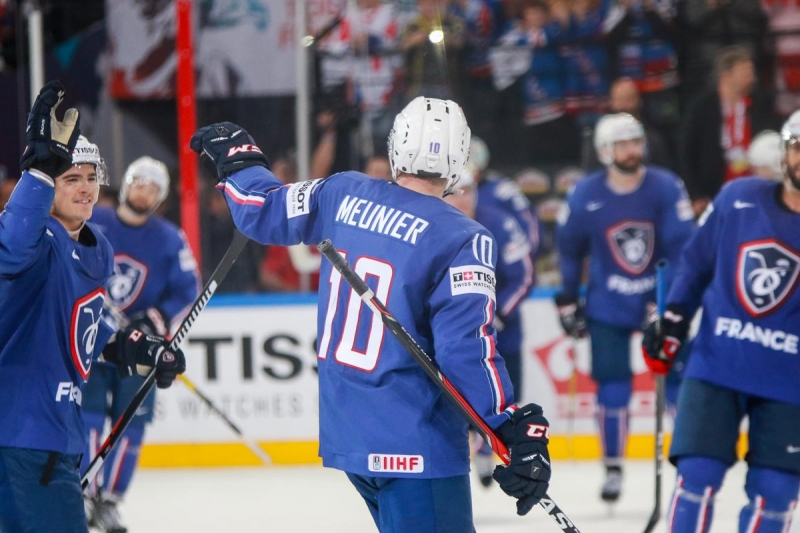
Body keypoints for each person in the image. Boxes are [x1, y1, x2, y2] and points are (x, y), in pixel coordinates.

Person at [189, 97, 552, 529]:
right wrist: (506, 426)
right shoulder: (464, 238)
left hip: (351, 435)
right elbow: (464, 352)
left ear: (396, 145)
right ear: (459, 159)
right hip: (418, 444)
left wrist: (240, 159)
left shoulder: (343, 192)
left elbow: (261, 210)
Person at [0, 81, 185, 533]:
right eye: (69, 179)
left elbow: (81, 326)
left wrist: (131, 347)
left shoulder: (95, 246)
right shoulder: (36, 240)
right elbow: (9, 247)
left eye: (90, 177)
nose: (84, 189)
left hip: (57, 436)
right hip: (20, 435)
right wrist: (38, 174)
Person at [641, 110, 800, 533]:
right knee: (696, 477)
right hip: (718, 363)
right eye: (798, 147)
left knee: (776, 491)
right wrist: (672, 320)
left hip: (789, 380)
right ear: (785, 153)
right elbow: (694, 265)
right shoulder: (738, 198)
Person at [555, 112, 694, 503]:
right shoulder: (585, 194)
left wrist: (670, 302)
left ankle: (688, 456)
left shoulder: (665, 187)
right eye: (622, 143)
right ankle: (613, 466)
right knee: (613, 388)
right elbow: (568, 249)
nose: (632, 150)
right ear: (604, 150)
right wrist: (568, 298)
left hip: (659, 300)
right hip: (607, 304)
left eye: (636, 141)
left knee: (677, 381)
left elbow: (682, 249)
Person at [81, 156, 200, 532]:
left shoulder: (169, 238)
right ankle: (86, 493)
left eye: (153, 187)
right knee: (88, 418)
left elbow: (187, 289)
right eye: (139, 182)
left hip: (142, 347)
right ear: (127, 183)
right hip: (94, 339)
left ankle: (111, 500)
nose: (143, 191)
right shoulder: (94, 220)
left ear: (161, 196)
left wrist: (153, 320)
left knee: (130, 424)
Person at [444, 165, 535, 488]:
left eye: (469, 191)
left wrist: (497, 314)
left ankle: (491, 448)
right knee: (456, 399)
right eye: (456, 192)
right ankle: (472, 454)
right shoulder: (433, 227)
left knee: (506, 397)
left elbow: (523, 276)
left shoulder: (500, 223)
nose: (463, 199)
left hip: (501, 334)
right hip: (452, 336)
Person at [681, 45, 779, 217]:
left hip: (757, 192)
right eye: (745, 73)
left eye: (751, 72)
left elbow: (771, 142)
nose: (752, 78)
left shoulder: (760, 104)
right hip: (714, 195)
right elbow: (686, 152)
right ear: (726, 76)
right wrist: (695, 194)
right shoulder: (702, 107)